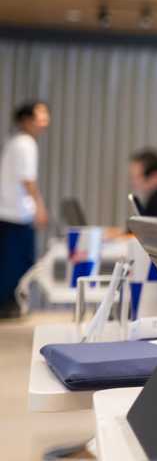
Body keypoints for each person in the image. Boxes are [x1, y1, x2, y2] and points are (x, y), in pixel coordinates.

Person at [0, 101, 50, 318]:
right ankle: (7, 306)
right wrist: (40, 206)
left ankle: (9, 306)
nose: (45, 120)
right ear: (27, 120)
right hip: (15, 215)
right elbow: (27, 180)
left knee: (11, 263)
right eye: (41, 115)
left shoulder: (16, 142)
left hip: (11, 213)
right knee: (16, 265)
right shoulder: (25, 144)